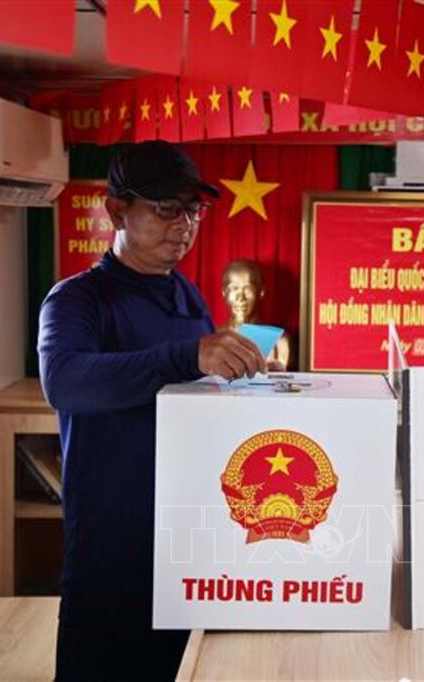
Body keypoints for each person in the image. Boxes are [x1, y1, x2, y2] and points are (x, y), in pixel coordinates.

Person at [38, 141, 267, 681]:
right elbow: (65, 381)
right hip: (110, 551)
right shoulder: (77, 300)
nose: (183, 224)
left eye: (193, 210)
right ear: (116, 211)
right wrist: (185, 356)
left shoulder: (187, 297)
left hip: (186, 543)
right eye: (166, 208)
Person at [220, 259, 293, 369]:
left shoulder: (278, 341)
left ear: (261, 292)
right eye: (234, 289)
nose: (241, 298)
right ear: (224, 292)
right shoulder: (210, 337)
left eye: (248, 289)